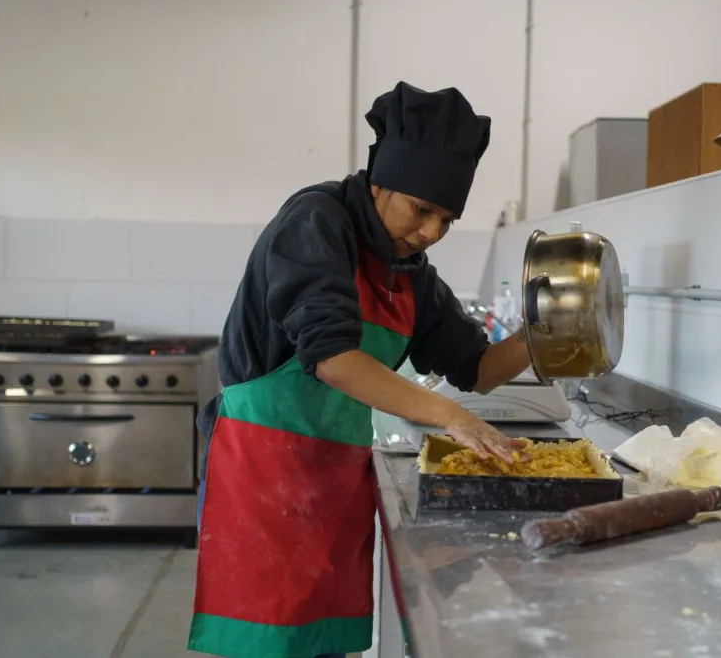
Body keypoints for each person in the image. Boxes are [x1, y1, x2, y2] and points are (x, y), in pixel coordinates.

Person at [189, 81, 531, 658]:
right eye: (421, 210)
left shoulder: (409, 268)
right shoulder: (316, 222)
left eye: (446, 220)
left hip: (334, 481)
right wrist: (450, 418)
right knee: (265, 644)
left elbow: (475, 367)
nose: (430, 233)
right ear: (381, 181)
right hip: (261, 474)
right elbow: (331, 357)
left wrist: (547, 337)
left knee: (322, 644)